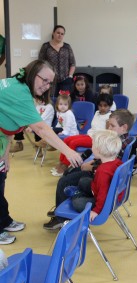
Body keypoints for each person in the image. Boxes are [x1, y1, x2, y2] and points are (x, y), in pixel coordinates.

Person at [0, 59, 82, 245]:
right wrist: (68, 151)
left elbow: (7, 123)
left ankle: (3, 220)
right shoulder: (19, 93)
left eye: (49, 83)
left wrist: (5, 156)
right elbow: (41, 128)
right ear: (32, 73)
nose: (46, 86)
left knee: (1, 177)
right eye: (43, 80)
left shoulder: (18, 84)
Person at [43, 109, 134, 230]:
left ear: (124, 128)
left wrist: (91, 167)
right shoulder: (121, 140)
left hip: (103, 179)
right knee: (70, 174)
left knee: (64, 181)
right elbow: (110, 161)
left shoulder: (117, 143)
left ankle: (62, 219)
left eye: (112, 126)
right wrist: (94, 163)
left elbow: (107, 170)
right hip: (104, 176)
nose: (109, 128)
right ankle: (61, 207)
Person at [51, 93, 113, 176]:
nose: (102, 108)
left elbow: (106, 133)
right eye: (100, 105)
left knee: (73, 143)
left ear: (110, 106)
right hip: (89, 135)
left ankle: (65, 165)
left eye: (105, 106)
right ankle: (61, 162)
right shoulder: (97, 113)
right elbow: (93, 127)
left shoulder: (110, 117)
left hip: (96, 140)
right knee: (67, 139)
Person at [71, 130, 122, 222]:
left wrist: (96, 211)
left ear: (98, 150)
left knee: (77, 203)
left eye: (93, 145)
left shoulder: (102, 171)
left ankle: (76, 195)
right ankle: (80, 194)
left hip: (106, 201)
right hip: (114, 196)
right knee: (83, 181)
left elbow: (103, 193)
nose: (91, 147)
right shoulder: (117, 162)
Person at [38, 25, 76, 96]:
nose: (60, 35)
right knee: (51, 100)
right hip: (50, 80)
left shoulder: (67, 47)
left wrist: (70, 76)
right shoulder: (46, 46)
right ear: (53, 33)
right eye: (58, 33)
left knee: (64, 102)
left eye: (62, 34)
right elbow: (40, 63)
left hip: (65, 80)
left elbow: (73, 63)